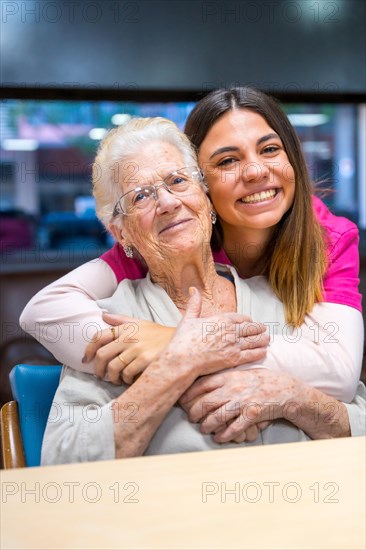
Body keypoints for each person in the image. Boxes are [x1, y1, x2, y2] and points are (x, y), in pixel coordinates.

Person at [40, 117, 364, 465]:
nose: (166, 202)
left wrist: (292, 397)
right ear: (121, 234)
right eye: (141, 196)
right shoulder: (113, 321)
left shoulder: (286, 301)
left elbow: (357, 423)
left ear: (206, 200)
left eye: (178, 181)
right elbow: (63, 461)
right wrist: (178, 364)